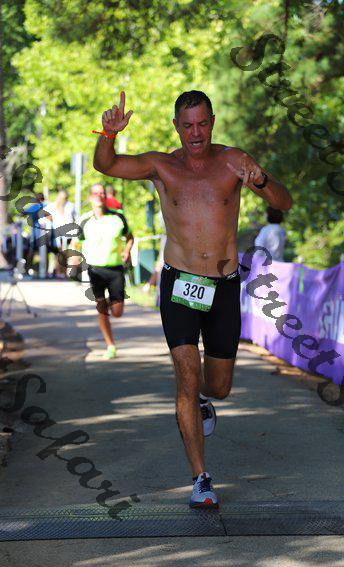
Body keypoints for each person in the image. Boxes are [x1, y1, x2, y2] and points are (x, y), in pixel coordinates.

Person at [93, 90, 292, 508]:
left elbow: (283, 201)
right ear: (176, 127)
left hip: (224, 286)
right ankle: (201, 478)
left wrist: (259, 180)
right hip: (180, 283)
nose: (196, 133)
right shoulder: (161, 166)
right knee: (185, 375)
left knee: (219, 386)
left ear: (212, 122)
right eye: (187, 126)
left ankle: (202, 399)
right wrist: (109, 135)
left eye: (202, 124)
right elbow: (106, 165)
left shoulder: (234, 160)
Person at [70, 183, 134, 359]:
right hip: (95, 269)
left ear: (106, 196)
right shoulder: (85, 220)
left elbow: (130, 237)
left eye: (102, 193)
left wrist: (127, 250)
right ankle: (110, 345)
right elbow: (75, 243)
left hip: (115, 269)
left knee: (117, 312)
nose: (99, 196)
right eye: (96, 193)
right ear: (90, 197)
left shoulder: (118, 217)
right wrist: (74, 258)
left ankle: (109, 302)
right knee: (101, 308)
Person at [46, 190, 76, 277]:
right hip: (57, 234)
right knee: (59, 253)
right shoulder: (53, 206)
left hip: (69, 234)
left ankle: (64, 272)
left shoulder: (70, 206)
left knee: (65, 253)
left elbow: (75, 217)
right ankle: (59, 272)